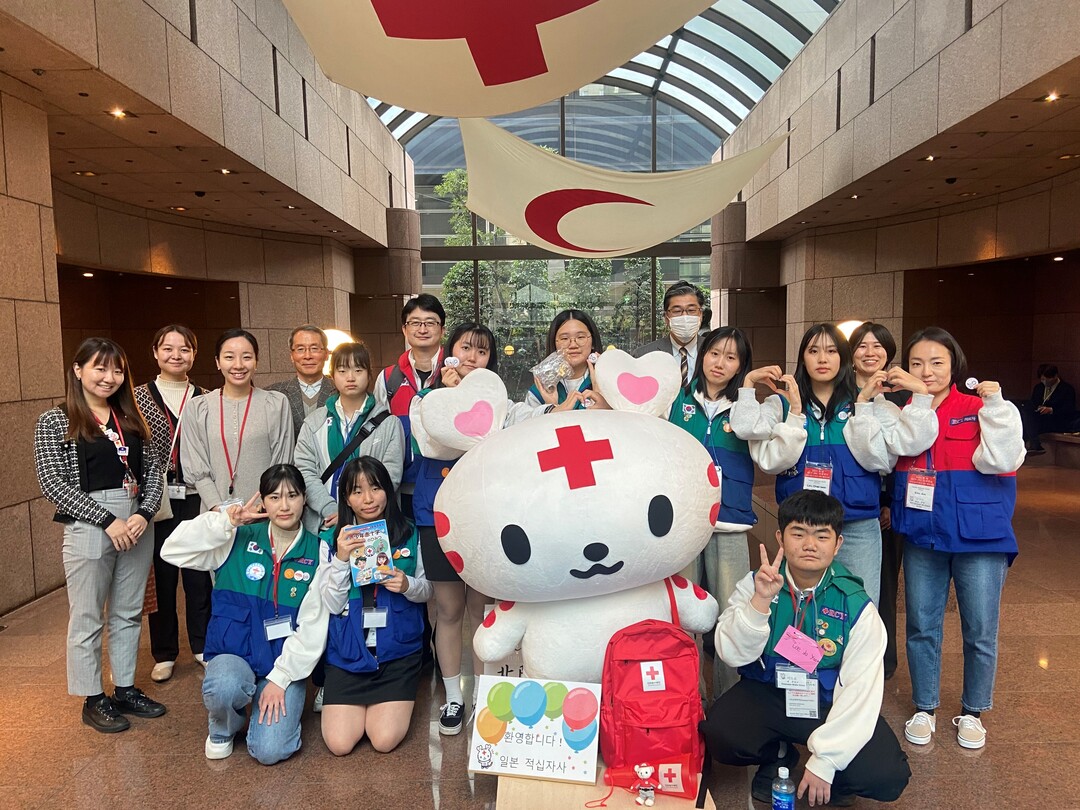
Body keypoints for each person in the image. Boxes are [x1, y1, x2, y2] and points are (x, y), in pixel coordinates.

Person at [412, 322, 574, 735]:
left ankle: (488, 694)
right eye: (466, 348)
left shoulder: (500, 403)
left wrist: (555, 406)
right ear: (450, 351)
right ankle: (453, 696)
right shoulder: (425, 401)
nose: (472, 357)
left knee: (482, 610)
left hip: (487, 519)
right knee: (448, 610)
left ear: (491, 360)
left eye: (482, 352)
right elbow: (432, 445)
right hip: (438, 515)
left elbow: (532, 422)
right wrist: (446, 398)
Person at [700, 491, 910, 807]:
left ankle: (839, 776)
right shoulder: (757, 584)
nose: (810, 544)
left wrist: (826, 761)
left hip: (827, 703)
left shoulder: (854, 604)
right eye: (798, 534)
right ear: (780, 538)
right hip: (769, 694)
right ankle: (777, 754)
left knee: (886, 775)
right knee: (720, 733)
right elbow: (731, 653)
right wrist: (760, 602)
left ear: (837, 544)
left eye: (822, 536)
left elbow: (861, 689)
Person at [731, 323, 936, 605]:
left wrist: (920, 395)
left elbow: (904, 446)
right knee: (802, 607)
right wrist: (749, 385)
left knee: (860, 606)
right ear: (803, 357)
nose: (822, 359)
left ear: (843, 357)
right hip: (803, 526)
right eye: (813, 351)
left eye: (831, 351)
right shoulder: (783, 403)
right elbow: (746, 430)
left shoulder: (867, 401)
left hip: (857, 525)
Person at [892, 328, 1024, 751]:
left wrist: (997, 405)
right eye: (916, 363)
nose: (926, 371)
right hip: (923, 533)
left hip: (980, 536)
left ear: (954, 366)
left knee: (980, 629)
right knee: (920, 625)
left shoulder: (980, 408)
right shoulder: (905, 410)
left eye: (936, 362)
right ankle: (924, 707)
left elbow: (1006, 458)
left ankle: (973, 711)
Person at [34, 337, 167, 733]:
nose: (109, 377)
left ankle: (124, 689)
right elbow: (52, 483)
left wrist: (143, 513)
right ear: (78, 370)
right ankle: (93, 698)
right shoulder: (56, 420)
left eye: (117, 370)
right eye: (100, 368)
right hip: (90, 524)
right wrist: (107, 520)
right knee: (88, 615)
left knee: (128, 611)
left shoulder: (131, 417)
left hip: (137, 522)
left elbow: (154, 471)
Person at [667, 327, 806, 697]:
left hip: (730, 523)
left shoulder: (749, 409)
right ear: (702, 356)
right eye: (714, 354)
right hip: (683, 526)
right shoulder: (676, 400)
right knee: (683, 615)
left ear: (742, 366)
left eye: (731, 358)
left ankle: (728, 699)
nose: (720, 363)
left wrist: (778, 402)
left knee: (732, 614)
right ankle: (688, 699)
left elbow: (771, 457)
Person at [161, 464, 329, 764]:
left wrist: (281, 679)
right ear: (263, 501)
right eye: (274, 497)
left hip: (283, 661)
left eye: (292, 495)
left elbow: (313, 628)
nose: (284, 505)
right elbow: (171, 550)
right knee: (224, 685)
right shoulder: (236, 537)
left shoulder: (317, 552)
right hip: (234, 653)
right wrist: (223, 521)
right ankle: (224, 727)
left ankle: (264, 714)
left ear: (305, 498)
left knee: (270, 750)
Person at [320, 457, 432, 755]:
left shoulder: (410, 533)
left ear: (388, 490)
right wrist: (341, 559)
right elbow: (331, 604)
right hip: (349, 653)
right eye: (357, 491)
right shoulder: (331, 540)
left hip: (397, 652)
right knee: (340, 744)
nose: (368, 499)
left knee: (383, 740)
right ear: (346, 498)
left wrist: (407, 585)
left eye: (375, 488)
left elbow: (428, 591)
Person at [133, 324, 211, 683]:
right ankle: (164, 653)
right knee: (162, 574)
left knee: (199, 575)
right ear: (155, 352)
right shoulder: (136, 398)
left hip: (196, 495)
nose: (176, 355)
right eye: (168, 348)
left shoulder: (206, 397)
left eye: (184, 349)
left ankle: (202, 644)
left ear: (194, 354)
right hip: (157, 497)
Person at [294, 341, 405, 536]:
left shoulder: (389, 423)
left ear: (369, 374)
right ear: (332, 375)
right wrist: (330, 509)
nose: (351, 377)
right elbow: (305, 472)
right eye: (343, 371)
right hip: (324, 524)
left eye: (358, 370)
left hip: (372, 525)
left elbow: (391, 474)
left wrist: (355, 512)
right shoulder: (314, 423)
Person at [180, 328, 293, 512]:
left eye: (247, 357)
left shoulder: (276, 404)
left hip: (265, 512)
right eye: (229, 357)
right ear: (218, 362)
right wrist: (219, 509)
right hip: (215, 515)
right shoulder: (198, 407)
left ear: (256, 362)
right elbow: (196, 466)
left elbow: (282, 462)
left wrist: (261, 507)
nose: (238, 365)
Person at [849, 321, 906, 680]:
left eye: (878, 346)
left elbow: (904, 455)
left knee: (882, 588)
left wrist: (890, 501)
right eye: (862, 346)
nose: (870, 353)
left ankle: (882, 662)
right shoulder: (840, 391)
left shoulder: (900, 395)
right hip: (846, 503)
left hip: (885, 508)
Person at [374, 294, 446, 518]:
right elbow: (380, 434)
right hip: (402, 487)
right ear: (405, 330)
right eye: (415, 322)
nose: (422, 329)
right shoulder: (388, 378)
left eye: (430, 322)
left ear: (442, 329)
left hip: (448, 483)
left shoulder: (455, 374)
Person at [525, 309, 607, 410]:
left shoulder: (610, 382)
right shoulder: (541, 389)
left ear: (593, 342)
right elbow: (529, 419)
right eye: (564, 338)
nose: (573, 345)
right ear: (554, 344)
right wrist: (552, 407)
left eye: (580, 337)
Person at [633, 280, 708, 385]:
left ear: (700, 314)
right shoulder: (643, 355)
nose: (684, 316)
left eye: (691, 310)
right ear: (666, 318)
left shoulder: (714, 350)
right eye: (677, 311)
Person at [268, 325, 336, 439]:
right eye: (300, 349)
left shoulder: (341, 391)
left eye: (314, 348)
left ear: (326, 354)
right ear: (291, 356)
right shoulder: (273, 394)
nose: (308, 356)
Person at [1022, 363, 1077, 453]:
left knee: (1028, 423)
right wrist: (1038, 408)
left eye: (1048, 379)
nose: (1045, 382)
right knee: (1026, 415)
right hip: (1039, 418)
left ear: (1055, 376)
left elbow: (1069, 409)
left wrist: (1051, 410)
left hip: (1057, 420)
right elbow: (1033, 403)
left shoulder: (1067, 389)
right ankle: (1034, 444)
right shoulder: (1039, 388)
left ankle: (1034, 444)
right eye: (1043, 379)